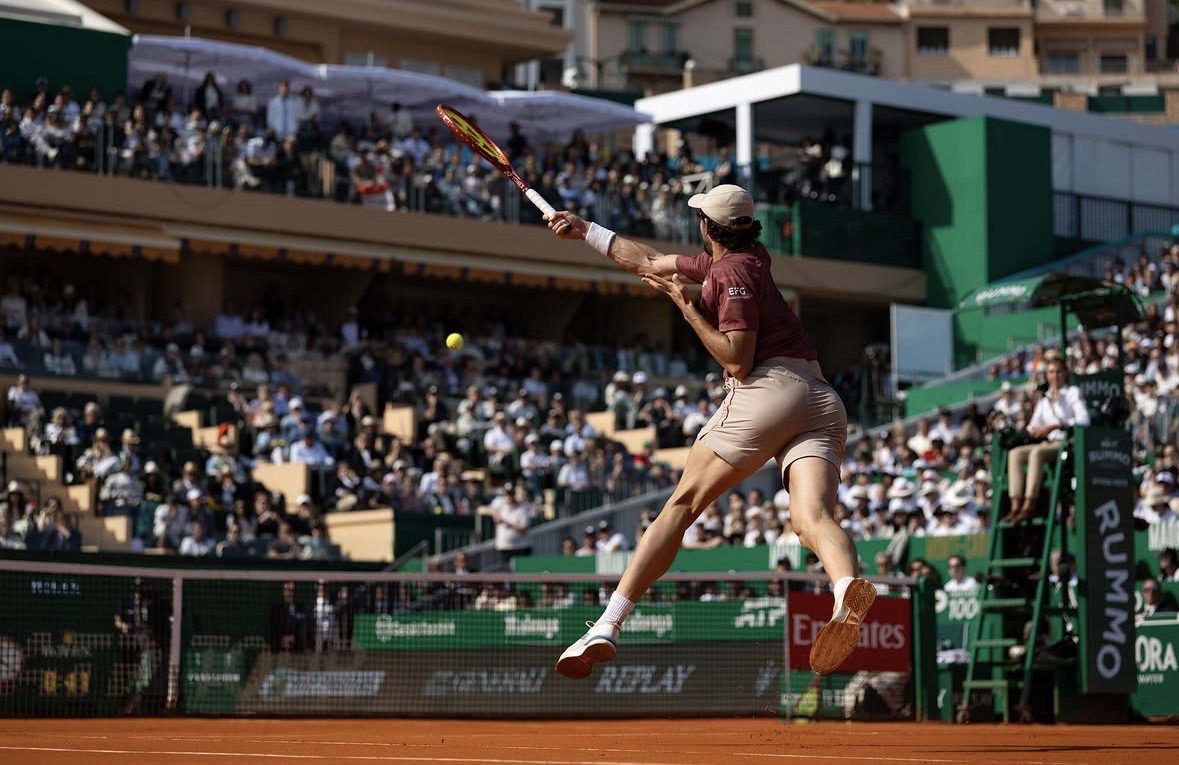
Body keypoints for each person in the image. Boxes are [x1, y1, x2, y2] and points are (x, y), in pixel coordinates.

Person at [546, 184, 872, 679]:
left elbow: (738, 359)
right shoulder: (748, 256)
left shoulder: (731, 272)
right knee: (811, 517)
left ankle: (608, 625)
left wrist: (687, 306)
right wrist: (586, 230)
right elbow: (651, 261)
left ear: (706, 227)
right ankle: (846, 588)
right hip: (822, 402)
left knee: (681, 506)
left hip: (769, 391)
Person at [1004, 358, 1089, 524]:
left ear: (1065, 374)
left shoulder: (1072, 393)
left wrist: (1055, 426)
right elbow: (1033, 425)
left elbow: (1084, 420)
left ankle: (1030, 503)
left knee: (1036, 453)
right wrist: (1029, 431)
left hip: (1067, 443)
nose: (1055, 376)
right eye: (1051, 372)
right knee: (1015, 454)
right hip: (1048, 443)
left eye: (1058, 372)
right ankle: (1015, 505)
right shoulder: (1045, 399)